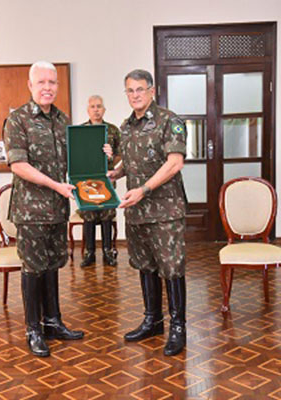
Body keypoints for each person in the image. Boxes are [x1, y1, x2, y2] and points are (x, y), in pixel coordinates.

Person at [3, 61, 84, 357]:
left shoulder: (63, 121)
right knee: (33, 269)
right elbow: (19, 165)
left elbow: (76, 162)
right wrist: (54, 185)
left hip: (57, 209)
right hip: (31, 211)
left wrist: (100, 155)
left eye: (53, 82)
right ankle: (33, 329)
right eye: (42, 83)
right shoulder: (18, 120)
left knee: (52, 265)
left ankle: (53, 323)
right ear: (30, 85)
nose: (48, 87)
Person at [107, 69, 187, 356]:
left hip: (165, 210)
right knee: (145, 265)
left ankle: (178, 327)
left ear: (152, 91)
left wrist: (144, 190)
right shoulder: (126, 127)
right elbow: (129, 163)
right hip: (137, 211)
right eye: (130, 90)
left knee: (171, 268)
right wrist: (112, 174)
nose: (135, 95)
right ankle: (152, 320)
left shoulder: (170, 121)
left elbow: (174, 163)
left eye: (140, 89)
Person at [79, 95, 121, 268]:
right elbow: (75, 155)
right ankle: (89, 252)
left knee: (106, 215)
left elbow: (121, 152)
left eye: (99, 106)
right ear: (88, 110)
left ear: (104, 109)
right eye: (92, 107)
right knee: (88, 216)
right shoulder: (80, 131)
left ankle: (107, 251)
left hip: (107, 180)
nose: (96, 109)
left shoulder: (112, 130)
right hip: (87, 181)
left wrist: (112, 160)